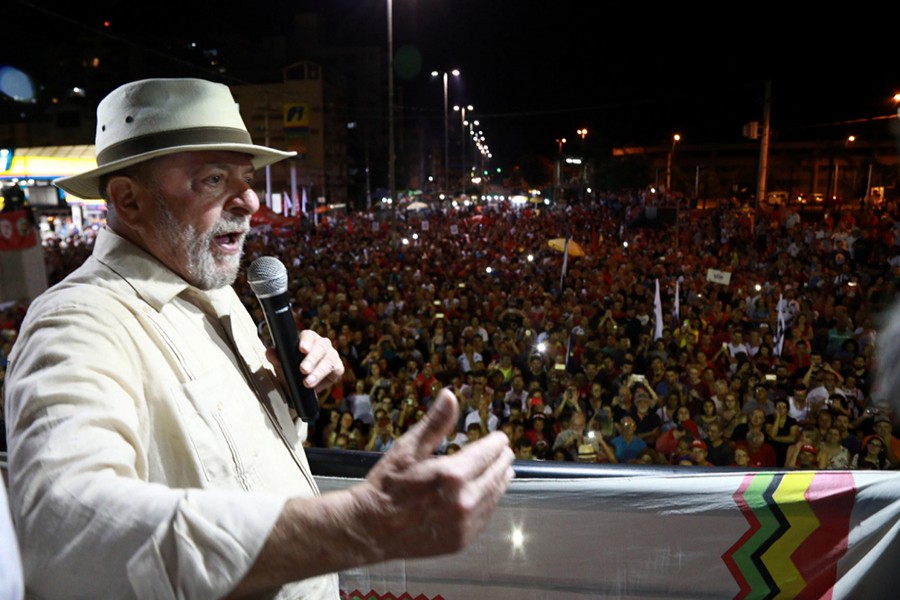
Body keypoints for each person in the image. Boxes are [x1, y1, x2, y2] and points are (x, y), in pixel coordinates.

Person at [2, 78, 514, 600]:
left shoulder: (216, 292)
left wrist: (290, 394)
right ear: (128, 200)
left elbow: (232, 465)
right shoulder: (78, 323)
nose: (250, 200)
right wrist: (361, 524)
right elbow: (68, 531)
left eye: (246, 178)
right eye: (214, 179)